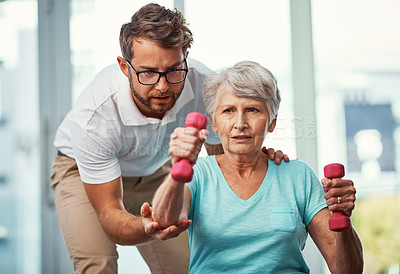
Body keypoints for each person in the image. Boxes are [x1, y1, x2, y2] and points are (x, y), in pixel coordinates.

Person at [50, 3, 288, 274]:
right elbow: (108, 215)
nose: (162, 86)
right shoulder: (95, 117)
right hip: (81, 172)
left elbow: (227, 164)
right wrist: (147, 226)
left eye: (174, 70)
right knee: (98, 265)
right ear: (124, 67)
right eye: (147, 72)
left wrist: (260, 165)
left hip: (154, 170)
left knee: (189, 267)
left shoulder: (203, 85)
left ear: (185, 57)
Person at [147, 61, 364, 273]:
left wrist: (344, 220)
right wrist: (179, 168)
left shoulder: (299, 176)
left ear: (272, 121)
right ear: (213, 122)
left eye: (252, 110)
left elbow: (347, 270)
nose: (240, 123)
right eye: (228, 111)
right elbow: (166, 221)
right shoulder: (198, 174)